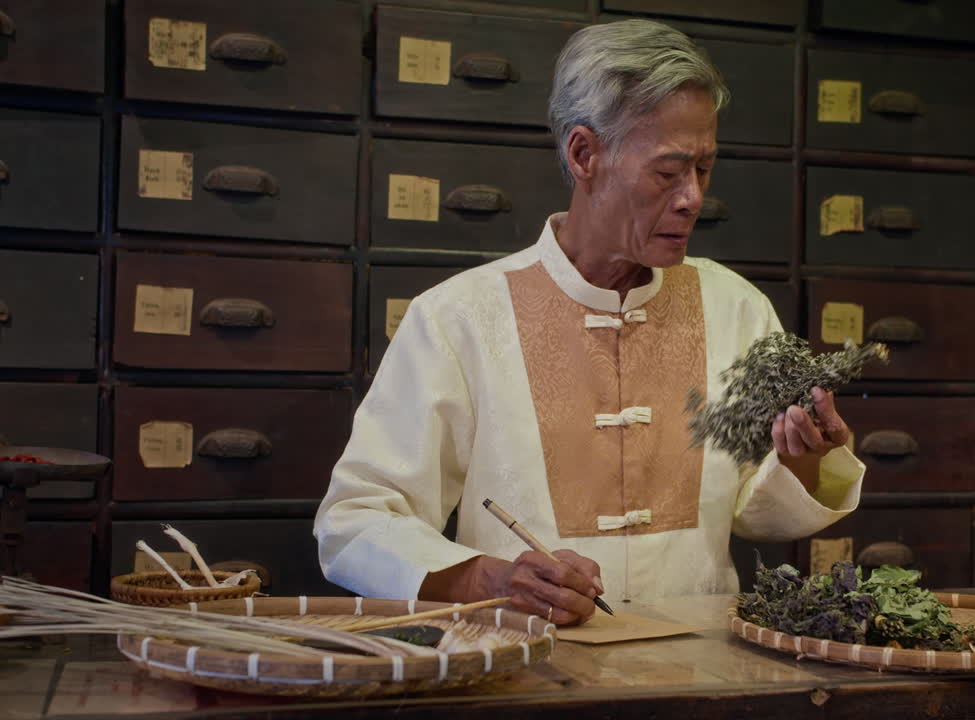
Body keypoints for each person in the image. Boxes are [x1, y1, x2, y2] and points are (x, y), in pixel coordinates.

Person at [314, 19, 867, 626]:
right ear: (584, 154)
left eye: (703, 169)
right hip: (523, 666)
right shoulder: (460, 317)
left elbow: (755, 513)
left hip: (702, 668)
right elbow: (355, 521)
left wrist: (804, 458)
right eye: (667, 171)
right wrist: (488, 577)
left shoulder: (736, 307)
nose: (691, 198)